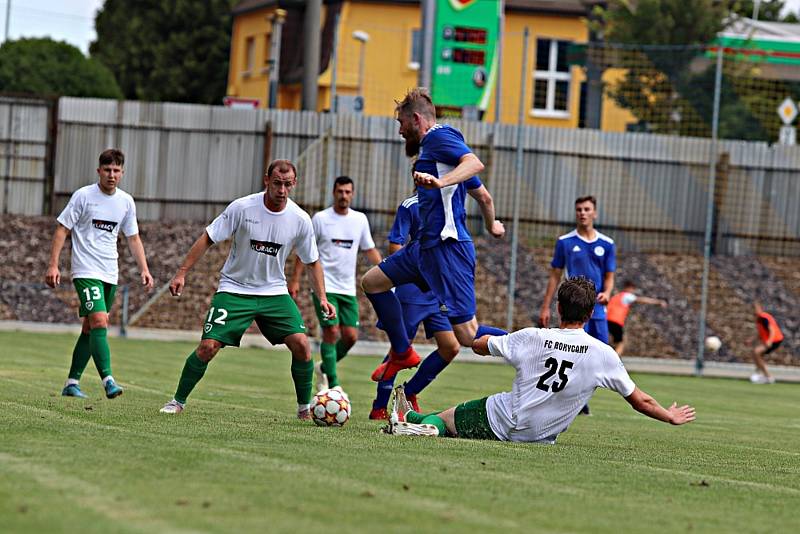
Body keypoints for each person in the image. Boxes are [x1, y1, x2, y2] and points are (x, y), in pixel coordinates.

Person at [386, 277, 696, 442]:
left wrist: (487, 337)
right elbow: (639, 400)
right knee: (450, 419)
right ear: (590, 314)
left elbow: (478, 345)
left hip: (502, 420)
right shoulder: (604, 354)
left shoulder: (532, 336)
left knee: (445, 419)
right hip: (539, 436)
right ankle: (410, 419)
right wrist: (670, 416)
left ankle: (414, 422)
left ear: (559, 308)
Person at [158, 159, 336, 418]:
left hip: (274, 292)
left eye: (287, 184)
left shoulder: (300, 219)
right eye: (277, 183)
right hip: (234, 289)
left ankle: (304, 408)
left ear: (294, 184)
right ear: (267, 180)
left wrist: (322, 297)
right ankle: (177, 401)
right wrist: (182, 273)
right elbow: (208, 236)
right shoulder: (242, 208)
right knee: (208, 347)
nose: (282, 190)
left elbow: (312, 261)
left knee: (302, 345)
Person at [361, 88, 506, 383]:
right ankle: (402, 352)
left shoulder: (440, 138)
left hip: (447, 248)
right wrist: (492, 225)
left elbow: (475, 164)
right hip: (423, 248)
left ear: (416, 119)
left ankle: (532, 343)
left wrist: (440, 183)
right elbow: (484, 197)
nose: (400, 131)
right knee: (372, 282)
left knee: (467, 336)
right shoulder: (437, 151)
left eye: (401, 123)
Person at [45, 148, 154, 399]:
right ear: (99, 171)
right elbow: (62, 229)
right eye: (107, 170)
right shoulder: (83, 196)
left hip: (109, 272)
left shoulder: (126, 202)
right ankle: (108, 380)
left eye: (116, 170)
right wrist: (53, 264)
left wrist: (144, 269)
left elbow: (133, 237)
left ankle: (71, 383)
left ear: (122, 172)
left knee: (89, 327)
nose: (111, 175)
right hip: (85, 270)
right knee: (100, 321)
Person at [369, 191, 459, 420]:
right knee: (400, 349)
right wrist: (406, 274)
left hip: (437, 289)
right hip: (413, 290)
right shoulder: (410, 205)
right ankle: (379, 407)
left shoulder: (450, 203)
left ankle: (409, 393)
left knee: (451, 346)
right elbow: (395, 243)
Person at [288, 176, 382, 392]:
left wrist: (390, 273)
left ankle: (324, 368)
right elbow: (305, 251)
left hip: (348, 288)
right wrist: (295, 279)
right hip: (325, 287)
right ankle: (334, 384)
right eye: (340, 191)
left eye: (348, 192)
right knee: (331, 332)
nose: (344, 196)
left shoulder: (360, 220)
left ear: (353, 194)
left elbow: (369, 249)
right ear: (333, 193)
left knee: (350, 337)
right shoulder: (321, 219)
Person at [539, 195, 615, 415]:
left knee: (599, 355)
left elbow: (610, 275)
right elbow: (554, 276)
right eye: (579, 209)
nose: (582, 213)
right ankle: (574, 400)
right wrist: (545, 307)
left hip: (597, 308)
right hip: (573, 307)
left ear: (595, 213)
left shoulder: (607, 244)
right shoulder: (565, 242)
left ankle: (579, 396)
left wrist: (608, 292)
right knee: (570, 353)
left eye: (587, 209)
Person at [606, 280, 667, 356]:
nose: (633, 291)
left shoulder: (616, 296)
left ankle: (609, 357)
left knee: (612, 341)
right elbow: (642, 300)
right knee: (621, 343)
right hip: (616, 321)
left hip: (606, 320)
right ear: (629, 288)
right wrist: (658, 302)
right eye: (632, 289)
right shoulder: (627, 296)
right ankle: (614, 361)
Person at [749, 302, 783, 384]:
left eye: (756, 308)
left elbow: (772, 330)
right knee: (757, 355)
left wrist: (769, 341)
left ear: (760, 308)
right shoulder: (759, 319)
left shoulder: (763, 317)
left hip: (775, 340)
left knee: (756, 352)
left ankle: (767, 376)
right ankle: (761, 374)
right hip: (774, 340)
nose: (754, 311)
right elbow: (760, 333)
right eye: (753, 309)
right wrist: (751, 340)